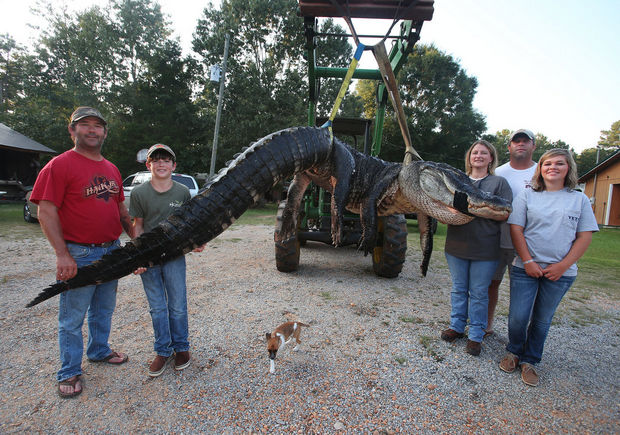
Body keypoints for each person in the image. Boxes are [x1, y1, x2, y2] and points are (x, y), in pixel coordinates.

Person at [30, 106, 134, 398]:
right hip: (79, 252)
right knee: (72, 318)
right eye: (84, 125)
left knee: (103, 310)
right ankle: (69, 371)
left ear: (104, 132)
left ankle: (99, 350)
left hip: (111, 250)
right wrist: (63, 254)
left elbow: (120, 210)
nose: (92, 130)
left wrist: (135, 240)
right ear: (72, 130)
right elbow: (46, 210)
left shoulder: (111, 169)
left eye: (97, 126)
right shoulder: (59, 165)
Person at [499, 149, 598, 387]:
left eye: (559, 163)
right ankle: (513, 351)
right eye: (547, 164)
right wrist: (529, 261)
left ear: (568, 168)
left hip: (561, 273)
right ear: (540, 169)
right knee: (518, 317)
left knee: (542, 320)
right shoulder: (527, 195)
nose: (553, 167)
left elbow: (584, 236)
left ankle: (530, 360)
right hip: (526, 267)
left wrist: (563, 266)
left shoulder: (579, 199)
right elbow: (516, 229)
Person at [130, 144, 204, 377]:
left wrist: (195, 241)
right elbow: (138, 226)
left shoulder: (182, 192)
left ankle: (181, 348)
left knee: (178, 306)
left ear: (174, 165)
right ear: (148, 165)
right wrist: (137, 256)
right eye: (156, 159)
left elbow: (188, 224)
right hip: (150, 259)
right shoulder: (139, 193)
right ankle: (162, 350)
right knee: (158, 308)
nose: (161, 163)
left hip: (174, 257)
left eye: (166, 159)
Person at [441, 140, 512, 356]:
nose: (478, 156)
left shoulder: (499, 183)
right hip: (456, 246)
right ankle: (456, 326)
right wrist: (454, 211)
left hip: (486, 248)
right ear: (469, 157)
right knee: (459, 288)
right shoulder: (456, 180)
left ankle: (476, 335)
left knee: (480, 292)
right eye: (475, 152)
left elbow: (504, 212)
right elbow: (445, 210)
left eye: (484, 153)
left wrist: (469, 210)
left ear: (491, 158)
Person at [486, 129, 537, 336]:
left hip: (529, 239)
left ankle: (519, 334)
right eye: (516, 141)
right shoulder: (498, 173)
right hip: (498, 238)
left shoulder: (540, 172)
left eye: (526, 141)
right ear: (509, 147)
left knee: (523, 289)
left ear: (534, 146)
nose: (521, 144)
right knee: (491, 283)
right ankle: (487, 326)